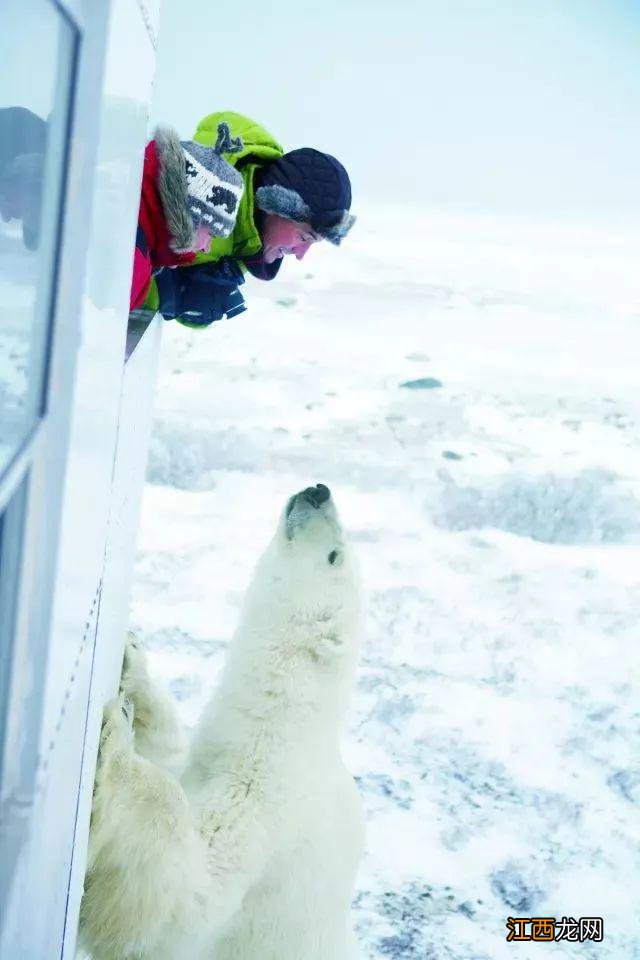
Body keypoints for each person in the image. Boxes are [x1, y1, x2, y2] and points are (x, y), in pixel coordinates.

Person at [134, 111, 355, 327]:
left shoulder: (253, 240)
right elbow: (123, 277)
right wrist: (166, 290)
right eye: (305, 237)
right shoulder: (204, 190)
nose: (300, 254)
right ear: (277, 207)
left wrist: (188, 299)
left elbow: (187, 310)